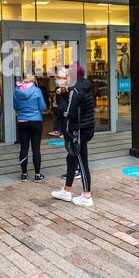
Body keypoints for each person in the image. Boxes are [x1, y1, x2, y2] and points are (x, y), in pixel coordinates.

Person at [51, 63, 95, 207]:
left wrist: (56, 109)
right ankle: (66, 190)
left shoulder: (75, 91)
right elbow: (78, 105)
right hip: (86, 128)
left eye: (69, 74)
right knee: (71, 159)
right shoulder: (84, 85)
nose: (67, 76)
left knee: (82, 162)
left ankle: (87, 196)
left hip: (80, 130)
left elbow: (69, 113)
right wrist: (65, 92)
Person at [13, 75, 47, 182]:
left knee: (24, 148)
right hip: (35, 121)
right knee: (36, 148)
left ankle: (24, 174)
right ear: (34, 81)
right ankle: (37, 175)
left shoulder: (17, 91)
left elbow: (16, 107)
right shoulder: (37, 91)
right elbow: (42, 107)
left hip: (22, 121)